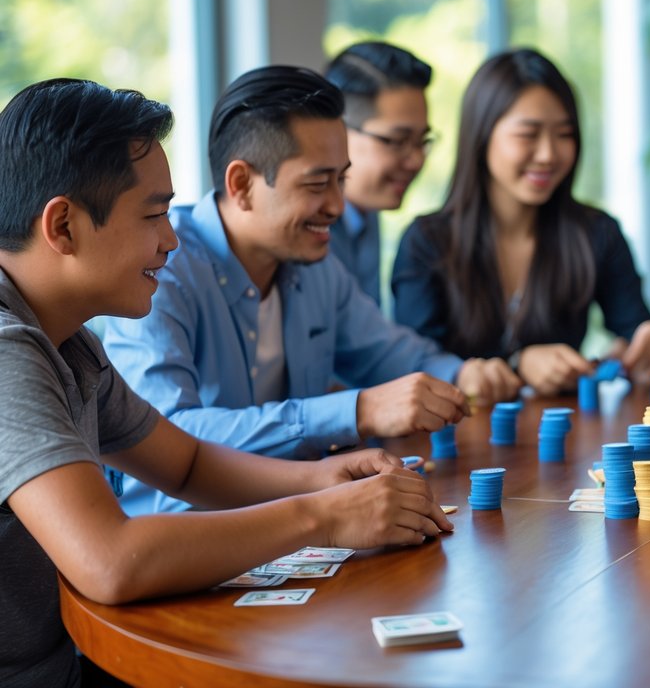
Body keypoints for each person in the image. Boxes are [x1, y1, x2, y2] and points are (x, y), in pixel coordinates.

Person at [0, 78, 451, 688]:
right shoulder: (8, 350)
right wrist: (323, 515)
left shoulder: (70, 341)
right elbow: (108, 562)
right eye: (153, 215)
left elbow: (186, 464)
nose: (171, 239)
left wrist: (326, 478)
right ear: (63, 226)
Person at [102, 65, 519, 516]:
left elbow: (392, 354)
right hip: (185, 534)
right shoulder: (162, 268)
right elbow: (166, 438)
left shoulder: (314, 266)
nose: (337, 206)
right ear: (241, 185)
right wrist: (355, 411)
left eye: (341, 180)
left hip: (295, 522)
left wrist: (463, 375)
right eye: (318, 184)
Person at [392, 48, 650, 396]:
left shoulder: (596, 233)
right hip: (458, 429)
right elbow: (415, 370)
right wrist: (519, 364)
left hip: (567, 429)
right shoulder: (427, 242)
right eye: (528, 135)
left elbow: (635, 329)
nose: (548, 154)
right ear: (482, 136)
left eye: (564, 134)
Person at [325, 41, 434, 307]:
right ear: (336, 132)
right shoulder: (306, 231)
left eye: (422, 141)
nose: (416, 160)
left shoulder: (365, 212)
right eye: (397, 141)